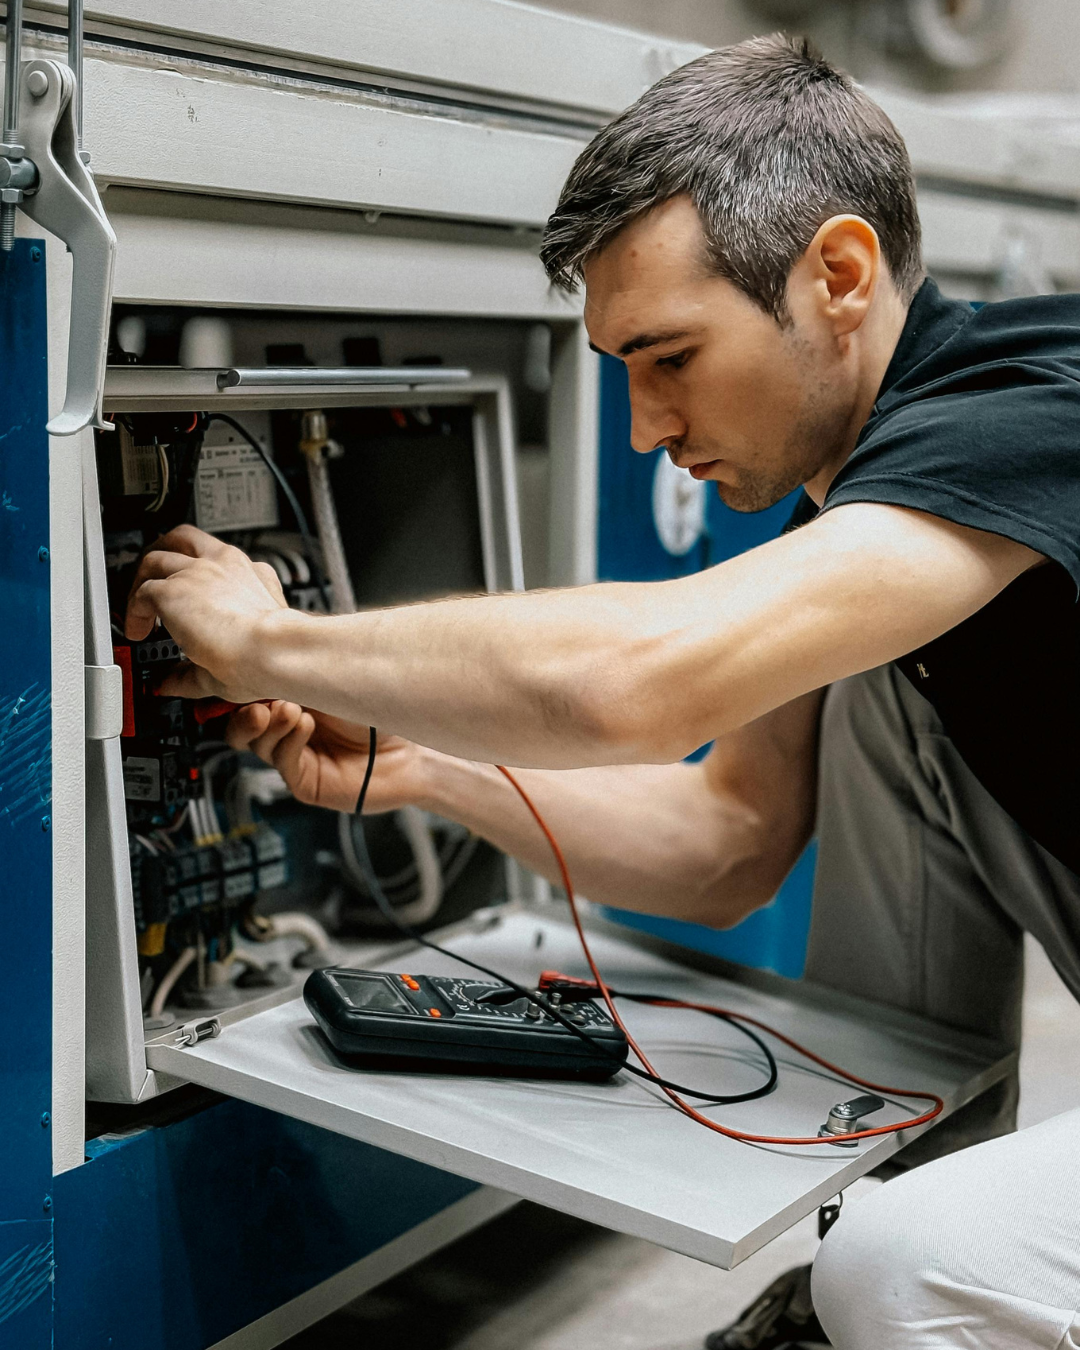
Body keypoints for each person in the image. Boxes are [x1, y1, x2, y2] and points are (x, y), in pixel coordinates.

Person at [124, 36, 1080, 1350]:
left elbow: (644, 680)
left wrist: (269, 639)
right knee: (875, 686)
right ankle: (886, 1206)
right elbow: (733, 835)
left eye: (669, 356)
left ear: (840, 277)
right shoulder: (880, 495)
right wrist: (420, 771)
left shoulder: (1036, 412)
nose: (643, 425)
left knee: (907, 1277)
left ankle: (877, 1263)